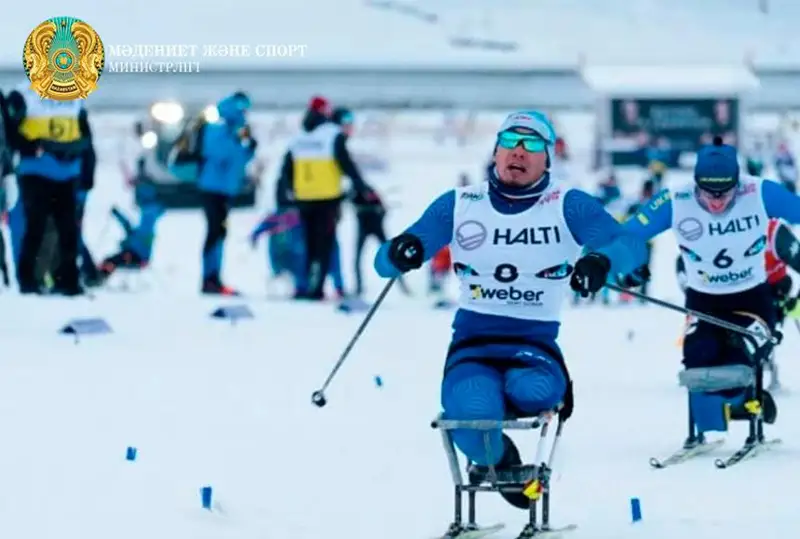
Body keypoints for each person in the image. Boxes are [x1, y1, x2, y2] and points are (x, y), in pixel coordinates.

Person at [373, 110, 647, 510]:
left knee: (532, 391)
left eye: (533, 144)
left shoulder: (567, 205)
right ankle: (502, 461)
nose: (519, 152)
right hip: (474, 346)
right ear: (496, 151)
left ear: (547, 158)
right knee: (471, 416)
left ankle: (520, 403)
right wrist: (402, 249)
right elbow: (385, 262)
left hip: (532, 344)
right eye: (509, 142)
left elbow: (630, 245)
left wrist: (601, 262)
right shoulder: (461, 203)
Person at [624, 136, 800, 440]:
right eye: (708, 193)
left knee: (736, 359)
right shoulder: (674, 199)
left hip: (753, 299)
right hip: (703, 302)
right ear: (695, 184)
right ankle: (726, 413)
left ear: (737, 182)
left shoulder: (758, 191)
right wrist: (624, 264)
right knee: (698, 359)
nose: (716, 201)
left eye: (725, 192)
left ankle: (741, 400)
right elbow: (627, 233)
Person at [276, 96, 375, 300]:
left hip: (303, 198)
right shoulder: (332, 135)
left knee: (309, 243)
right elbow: (346, 164)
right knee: (326, 244)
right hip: (327, 198)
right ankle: (318, 289)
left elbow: (286, 169)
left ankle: (306, 286)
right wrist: (362, 188)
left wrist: (290, 192)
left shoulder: (299, 137)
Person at [5, 84, 93, 295]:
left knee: (69, 229)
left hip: (68, 171)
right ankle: (28, 281)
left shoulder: (74, 93)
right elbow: (9, 130)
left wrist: (82, 160)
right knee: (36, 227)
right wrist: (29, 147)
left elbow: (84, 132)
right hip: (36, 171)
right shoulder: (23, 94)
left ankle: (68, 280)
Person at [197, 91, 257, 295]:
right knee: (215, 232)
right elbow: (221, 153)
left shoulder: (233, 129)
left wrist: (249, 149)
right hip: (213, 188)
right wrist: (239, 142)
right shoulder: (218, 127)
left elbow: (237, 160)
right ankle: (210, 278)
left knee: (220, 232)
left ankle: (214, 277)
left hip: (224, 188)